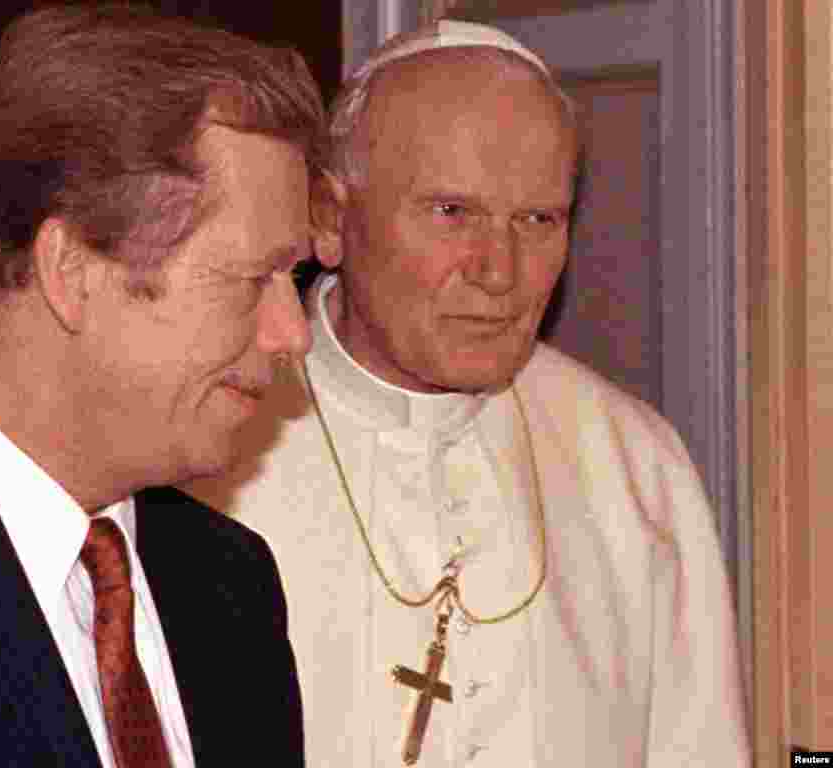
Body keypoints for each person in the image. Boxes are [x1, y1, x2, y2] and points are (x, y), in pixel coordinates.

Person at [184, 20, 751, 767]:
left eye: (538, 219)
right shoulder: (202, 452)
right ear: (329, 218)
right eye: (452, 212)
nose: (499, 271)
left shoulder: (636, 465)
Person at [0, 4, 330, 766]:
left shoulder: (229, 586)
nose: (293, 333)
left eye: (294, 280)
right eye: (253, 279)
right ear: (72, 270)